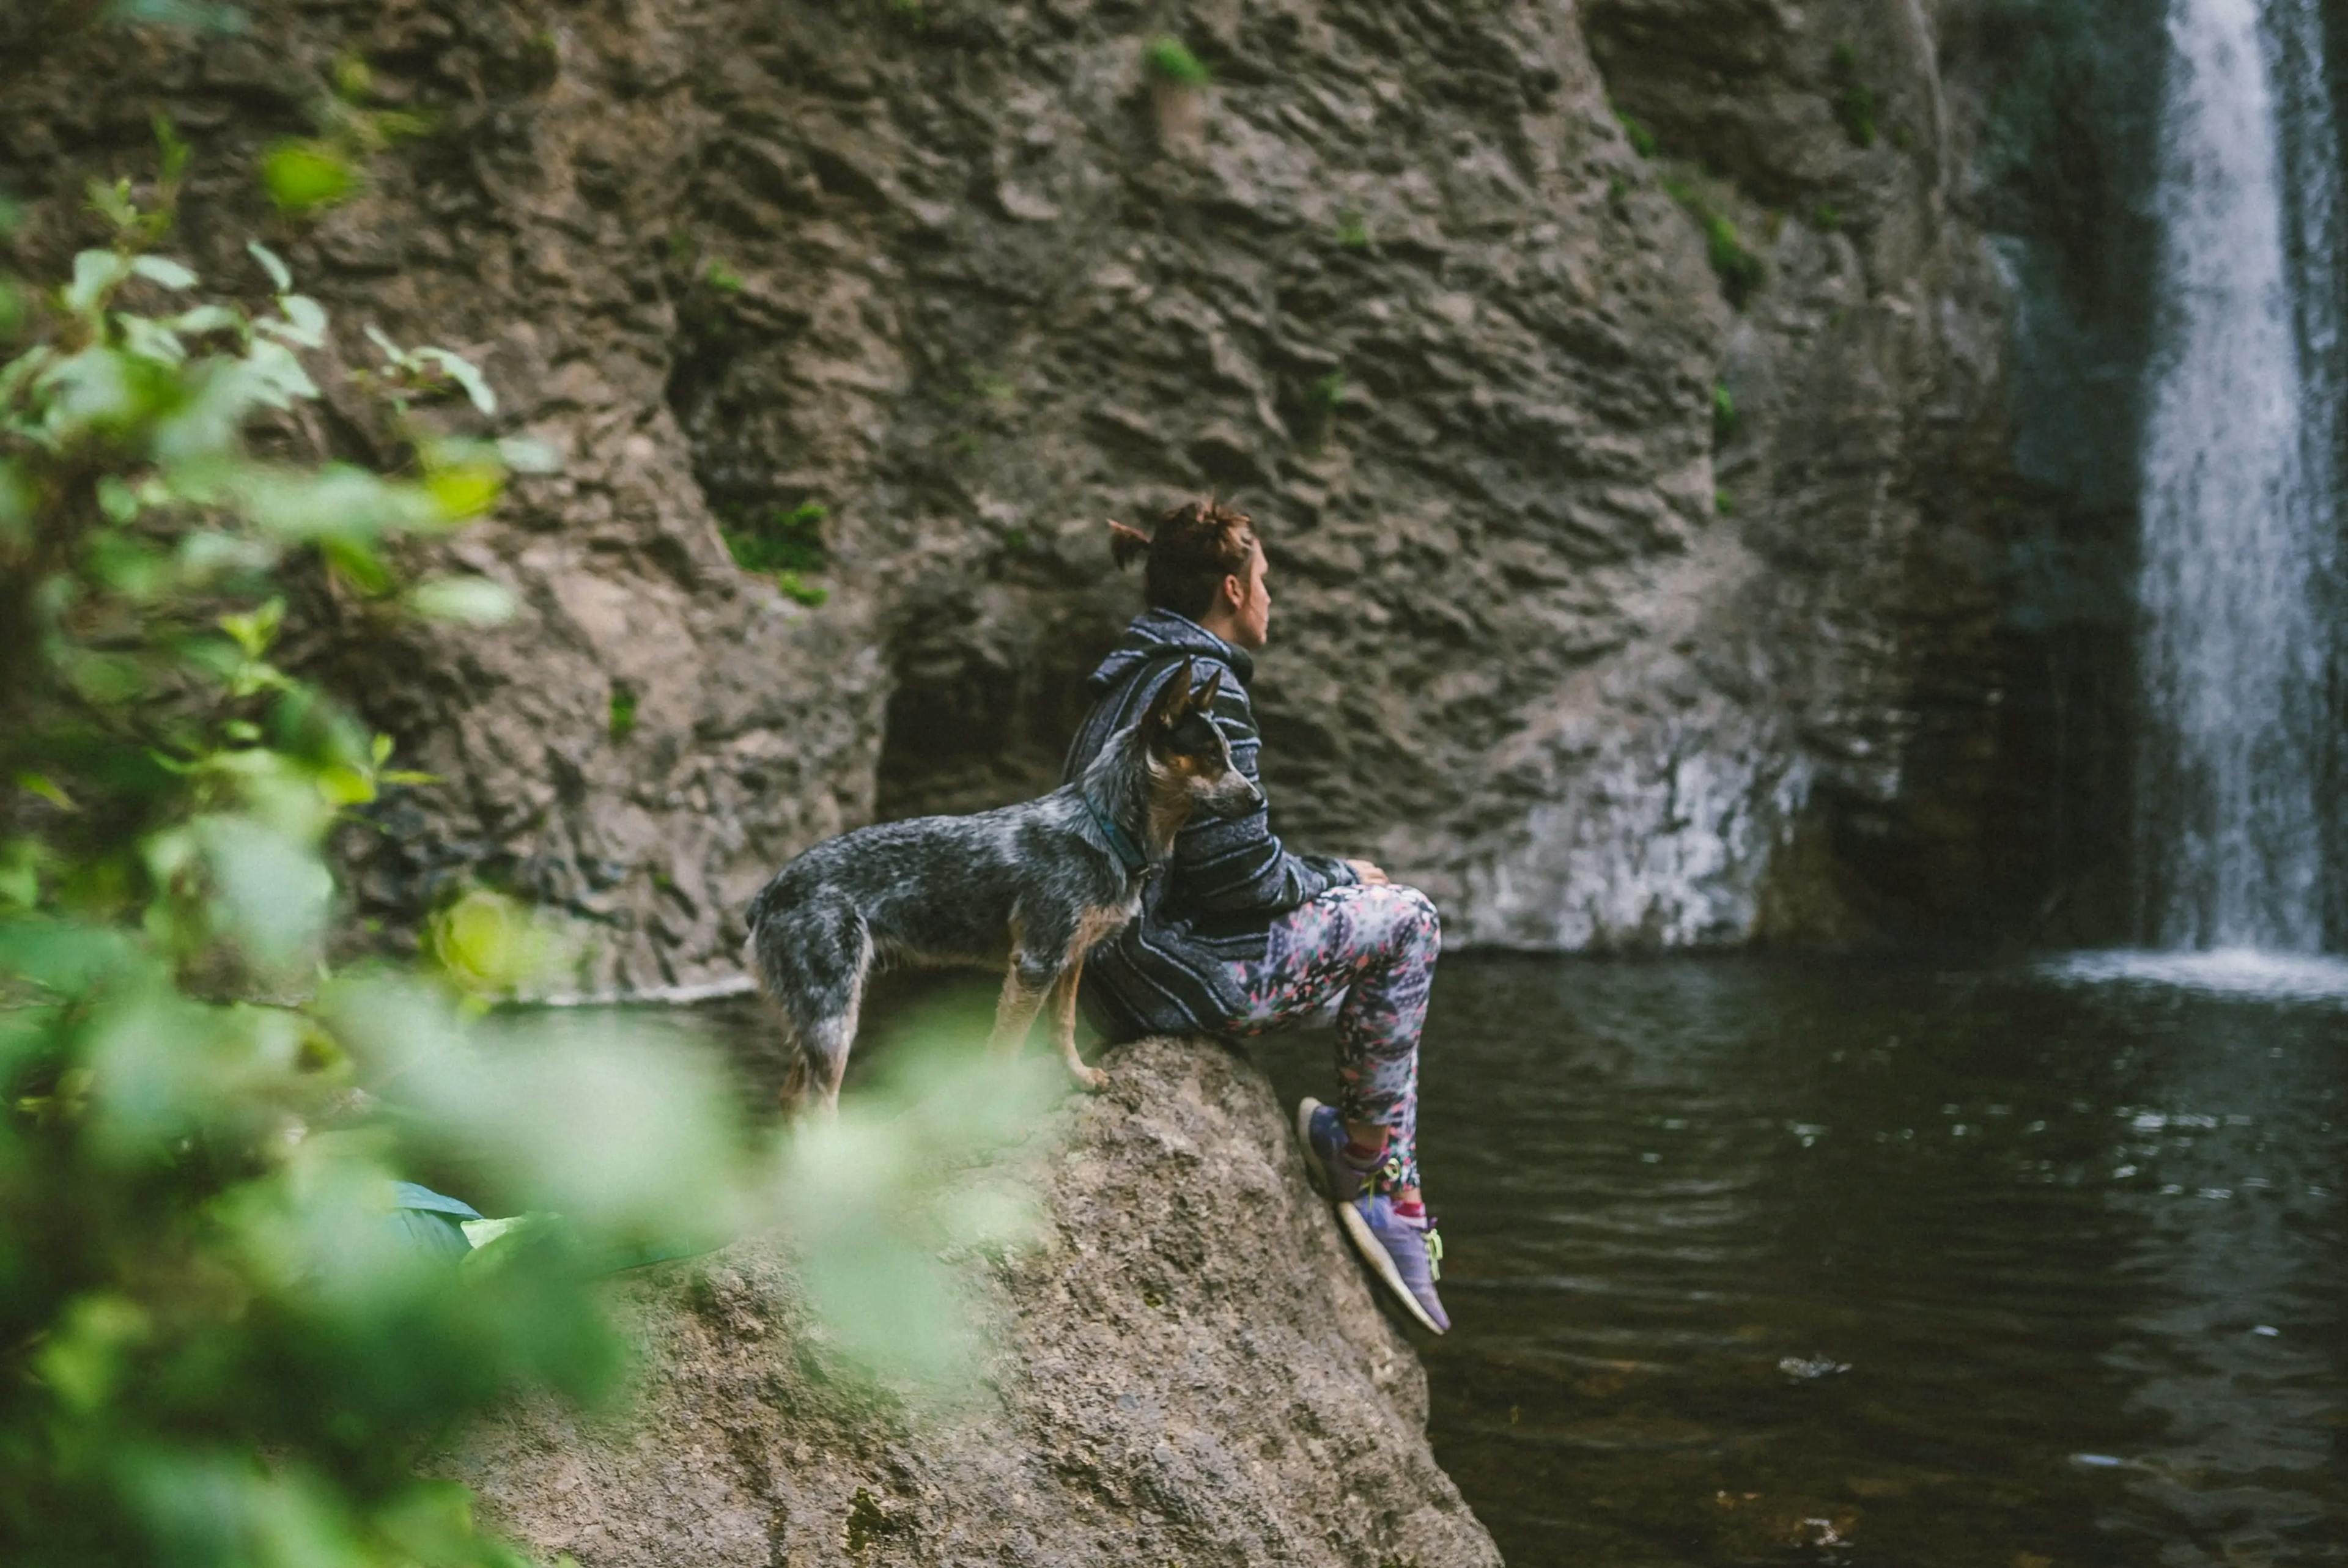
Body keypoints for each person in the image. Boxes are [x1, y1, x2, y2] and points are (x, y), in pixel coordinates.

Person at [1062, 499, 1450, 1333]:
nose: (1273, 599)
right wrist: (1339, 873)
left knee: (1375, 976)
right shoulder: (1202, 687)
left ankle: (1363, 1151)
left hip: (1111, 966)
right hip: (1170, 966)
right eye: (1267, 581)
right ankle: (1382, 1186)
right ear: (1233, 588)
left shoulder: (1128, 673)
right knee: (1408, 921)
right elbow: (1238, 878)